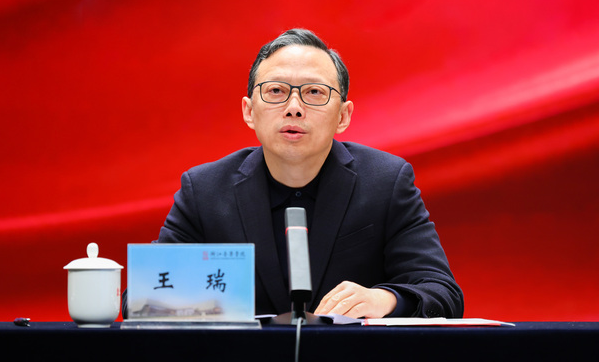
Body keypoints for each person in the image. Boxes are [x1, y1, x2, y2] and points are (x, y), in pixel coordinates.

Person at [143, 28, 463, 319]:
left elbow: (443, 293)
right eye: (276, 91)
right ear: (249, 111)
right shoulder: (205, 191)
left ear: (343, 116)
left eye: (314, 92)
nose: (294, 107)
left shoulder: (385, 182)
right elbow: (146, 297)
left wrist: (385, 299)